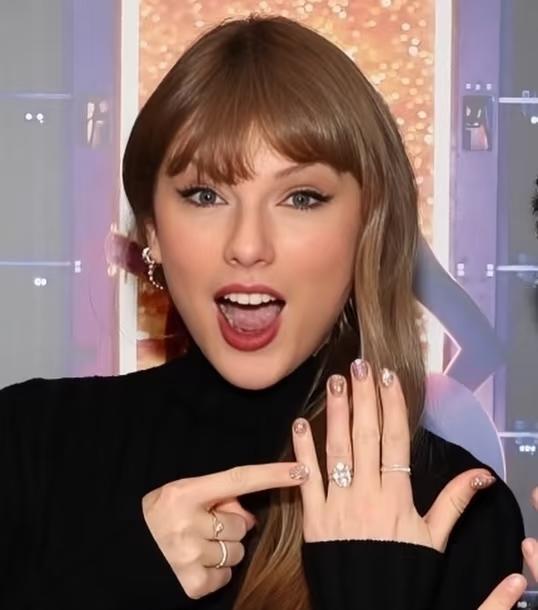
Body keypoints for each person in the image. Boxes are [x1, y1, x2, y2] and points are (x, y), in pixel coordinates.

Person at [0, 15, 524, 610]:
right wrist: (112, 580)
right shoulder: (30, 444)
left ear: (367, 228)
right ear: (152, 231)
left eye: (301, 197)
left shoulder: (457, 512)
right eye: (205, 195)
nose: (248, 246)